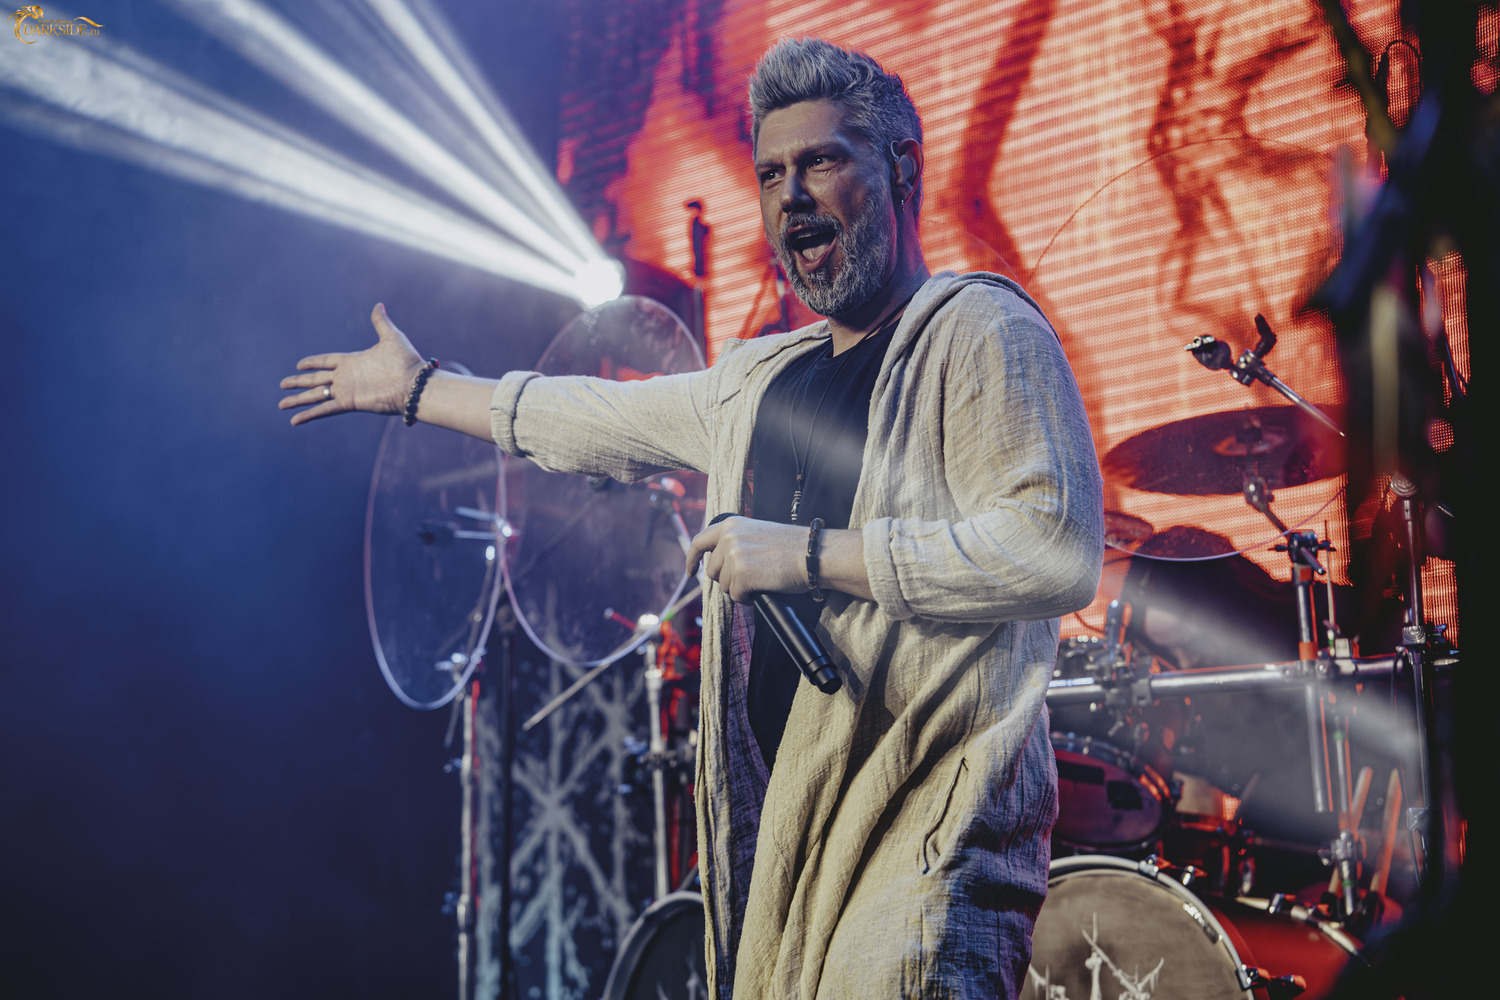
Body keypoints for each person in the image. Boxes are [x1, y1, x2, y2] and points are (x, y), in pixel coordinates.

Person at [281, 38, 1102, 1000]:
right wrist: (422, 388)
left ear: (902, 168)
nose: (792, 195)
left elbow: (1053, 550)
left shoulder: (981, 329)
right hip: (790, 868)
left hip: (927, 846)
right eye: (771, 174)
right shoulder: (759, 379)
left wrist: (808, 556)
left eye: (822, 161)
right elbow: (591, 417)